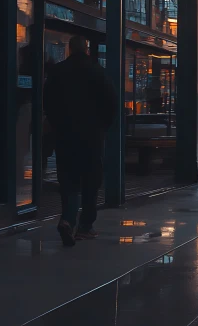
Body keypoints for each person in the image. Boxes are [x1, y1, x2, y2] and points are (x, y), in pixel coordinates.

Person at [45, 36, 117, 246]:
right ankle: (85, 226)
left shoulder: (57, 72)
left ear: (69, 49)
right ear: (86, 50)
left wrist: (57, 124)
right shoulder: (96, 71)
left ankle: (67, 219)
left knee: (68, 179)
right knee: (91, 180)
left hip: (65, 135)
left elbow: (48, 102)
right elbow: (111, 102)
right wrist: (102, 126)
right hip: (91, 136)